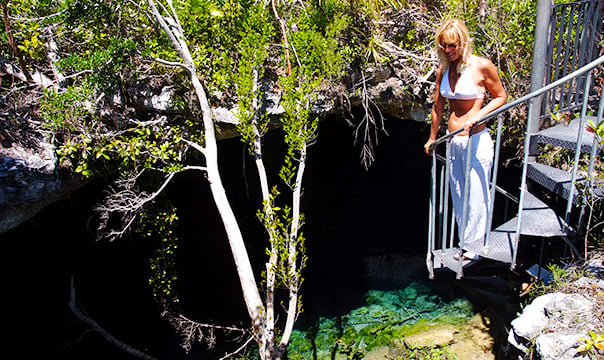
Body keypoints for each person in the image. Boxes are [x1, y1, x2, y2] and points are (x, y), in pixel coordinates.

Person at [423, 19, 507, 260]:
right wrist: (432, 138)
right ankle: (467, 244)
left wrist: (478, 115)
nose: (448, 50)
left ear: (463, 42)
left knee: (477, 195)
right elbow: (438, 106)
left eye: (452, 45)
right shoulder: (444, 69)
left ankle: (475, 248)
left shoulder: (482, 66)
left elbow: (500, 96)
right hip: (453, 142)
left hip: (476, 140)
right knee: (459, 194)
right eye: (443, 46)